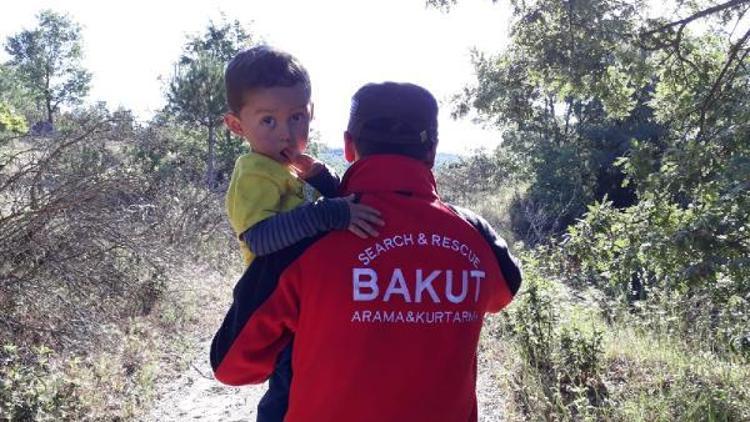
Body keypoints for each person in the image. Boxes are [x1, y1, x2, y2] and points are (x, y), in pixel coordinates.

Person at [211, 82, 522, 421]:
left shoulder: (305, 238)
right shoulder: (475, 237)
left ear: (348, 146)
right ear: (432, 151)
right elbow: (502, 292)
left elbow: (231, 366)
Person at [222, 45, 383, 268]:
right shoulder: (253, 171)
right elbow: (260, 239)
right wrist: (327, 214)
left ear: (311, 113)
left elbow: (336, 200)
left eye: (296, 117)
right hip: (269, 295)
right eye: (268, 120)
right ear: (236, 125)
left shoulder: (293, 168)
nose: (285, 134)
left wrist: (320, 177)